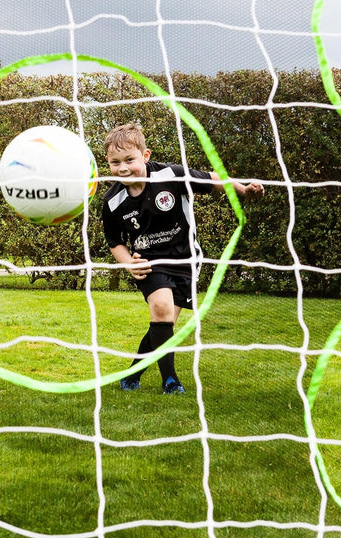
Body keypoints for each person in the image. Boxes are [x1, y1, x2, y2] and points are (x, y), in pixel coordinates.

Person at [102, 122, 264, 394]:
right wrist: (129, 263)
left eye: (129, 159)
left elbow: (213, 179)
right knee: (162, 309)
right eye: (115, 162)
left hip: (186, 259)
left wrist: (244, 190)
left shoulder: (170, 175)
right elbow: (114, 240)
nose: (123, 168)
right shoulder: (113, 201)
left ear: (146, 155)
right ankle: (170, 381)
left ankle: (132, 374)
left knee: (164, 322)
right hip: (149, 262)